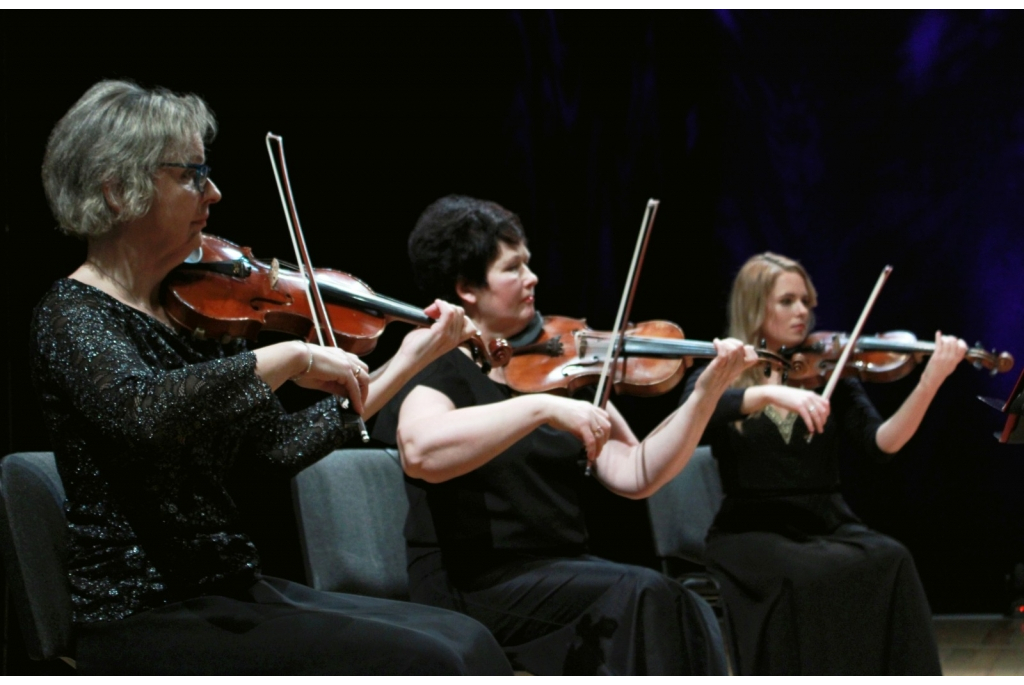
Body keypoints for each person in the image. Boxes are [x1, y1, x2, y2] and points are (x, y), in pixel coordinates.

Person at [28, 80, 513, 675]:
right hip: (143, 614)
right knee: (424, 659)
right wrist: (293, 358)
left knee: (466, 639)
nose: (214, 192)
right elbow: (145, 415)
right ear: (117, 189)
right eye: (191, 174)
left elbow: (270, 454)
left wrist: (406, 361)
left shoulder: (187, 320)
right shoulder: (70, 314)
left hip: (228, 592)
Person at [371, 194, 758, 675]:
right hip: (473, 584)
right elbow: (421, 451)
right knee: (643, 595)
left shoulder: (560, 368)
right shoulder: (438, 367)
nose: (532, 278)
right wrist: (540, 409)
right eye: (513, 269)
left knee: (680, 603)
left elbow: (636, 473)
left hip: (560, 572)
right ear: (467, 288)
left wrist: (706, 394)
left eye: (528, 264)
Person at [678, 251, 968, 674]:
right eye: (787, 301)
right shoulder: (720, 374)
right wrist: (767, 393)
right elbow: (692, 408)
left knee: (893, 558)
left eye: (807, 302)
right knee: (808, 575)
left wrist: (930, 381)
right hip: (752, 529)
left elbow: (882, 443)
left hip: (827, 521)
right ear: (754, 305)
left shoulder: (828, 370)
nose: (802, 313)